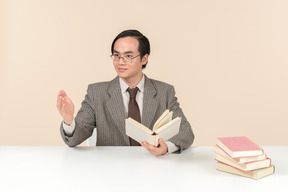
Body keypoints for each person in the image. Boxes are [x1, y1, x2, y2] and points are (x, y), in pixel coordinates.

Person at [57, 29, 194, 156]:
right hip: (111, 170)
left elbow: (186, 132)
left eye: (128, 56)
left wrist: (166, 148)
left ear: (144, 59)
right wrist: (69, 121)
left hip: (153, 169)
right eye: (116, 56)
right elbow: (74, 139)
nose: (120, 62)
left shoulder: (164, 91)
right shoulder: (96, 93)